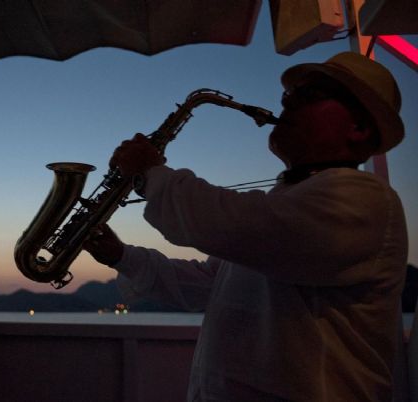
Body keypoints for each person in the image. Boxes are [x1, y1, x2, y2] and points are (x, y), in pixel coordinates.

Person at [84, 51, 407, 401]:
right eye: (289, 94)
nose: (287, 102)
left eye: (309, 94)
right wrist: (120, 256)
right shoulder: (287, 206)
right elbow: (208, 285)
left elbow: (236, 224)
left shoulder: (366, 199)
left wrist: (150, 172)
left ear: (358, 128)